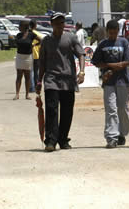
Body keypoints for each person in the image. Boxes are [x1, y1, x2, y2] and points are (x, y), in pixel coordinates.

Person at [36, 13, 86, 152]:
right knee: (52, 110)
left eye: (62, 22)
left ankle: (63, 139)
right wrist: (39, 81)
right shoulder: (46, 41)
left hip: (68, 80)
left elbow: (81, 54)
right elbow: (42, 63)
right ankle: (50, 141)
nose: (60, 25)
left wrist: (81, 72)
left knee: (67, 111)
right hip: (51, 80)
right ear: (52, 24)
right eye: (57, 23)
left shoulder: (70, 38)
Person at [91, 19, 129, 149]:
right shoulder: (103, 44)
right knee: (111, 109)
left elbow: (128, 60)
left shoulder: (124, 42)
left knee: (123, 109)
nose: (113, 35)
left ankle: (122, 133)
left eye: (115, 33)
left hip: (122, 81)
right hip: (108, 82)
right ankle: (111, 137)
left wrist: (119, 65)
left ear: (118, 31)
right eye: (110, 33)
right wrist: (112, 66)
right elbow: (96, 61)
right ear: (107, 31)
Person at [14, 20, 37, 100]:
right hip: (20, 57)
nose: (19, 27)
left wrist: (34, 45)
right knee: (19, 76)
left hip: (28, 57)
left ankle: (27, 95)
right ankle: (17, 94)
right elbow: (16, 43)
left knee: (27, 77)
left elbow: (41, 40)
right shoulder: (18, 35)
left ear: (24, 27)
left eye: (20, 26)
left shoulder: (31, 35)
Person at [30, 20, 44, 92]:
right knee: (36, 72)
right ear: (35, 25)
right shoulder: (38, 34)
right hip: (37, 54)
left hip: (29, 54)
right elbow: (41, 41)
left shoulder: (28, 33)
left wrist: (33, 45)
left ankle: (31, 87)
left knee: (30, 72)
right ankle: (36, 85)